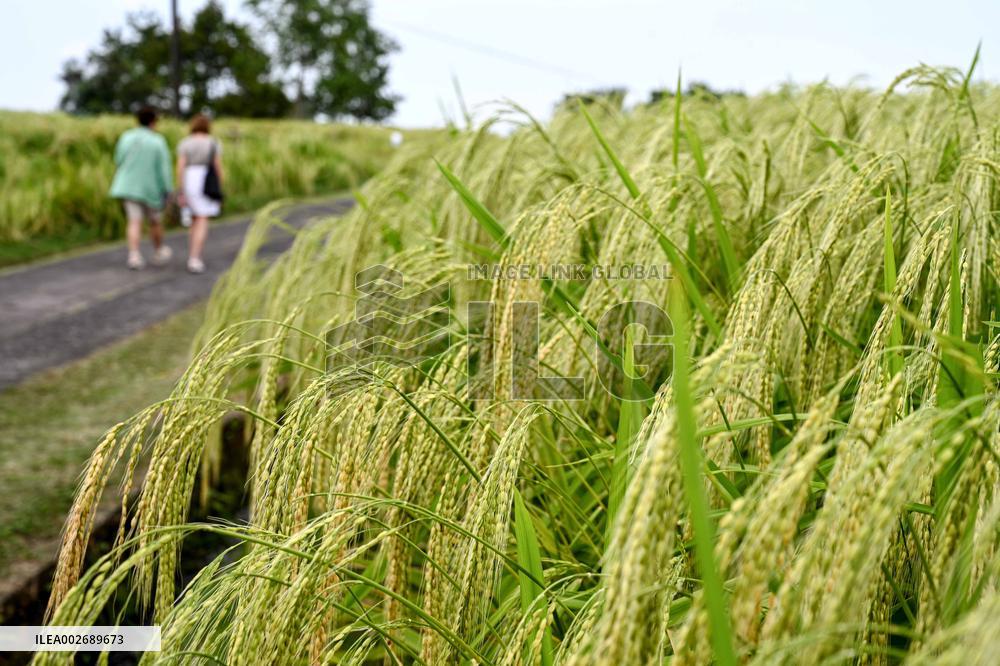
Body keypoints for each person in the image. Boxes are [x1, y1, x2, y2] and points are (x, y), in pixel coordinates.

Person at [109, 106, 174, 270]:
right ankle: (158, 250)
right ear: (153, 122)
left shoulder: (126, 137)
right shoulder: (157, 140)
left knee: (134, 221)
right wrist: (167, 189)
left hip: (128, 185)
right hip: (151, 188)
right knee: (155, 221)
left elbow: (118, 159)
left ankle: (134, 255)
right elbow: (164, 168)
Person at [176, 114, 223, 274]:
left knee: (194, 218)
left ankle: (192, 253)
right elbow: (217, 166)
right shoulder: (213, 142)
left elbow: (180, 167)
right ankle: (195, 257)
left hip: (189, 178)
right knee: (203, 218)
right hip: (205, 180)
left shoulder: (185, 143)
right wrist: (219, 185)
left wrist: (181, 189)